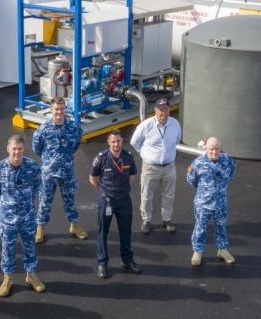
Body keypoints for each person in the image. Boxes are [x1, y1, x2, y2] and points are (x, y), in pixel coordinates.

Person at [0, 135, 45, 297]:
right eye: (14, 149)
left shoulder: (32, 167)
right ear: (8, 149)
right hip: (8, 218)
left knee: (29, 246)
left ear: (24, 149)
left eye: (19, 149)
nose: (17, 152)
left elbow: (37, 186)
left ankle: (31, 275)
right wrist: (7, 202)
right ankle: (8, 278)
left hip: (27, 215)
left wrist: (26, 200)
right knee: (8, 248)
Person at [32, 97, 87, 244]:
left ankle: (74, 225)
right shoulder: (43, 129)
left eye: (62, 109)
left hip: (67, 171)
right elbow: (36, 148)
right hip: (49, 173)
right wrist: (50, 161)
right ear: (51, 110)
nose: (59, 112)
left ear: (65, 110)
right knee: (45, 201)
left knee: (70, 200)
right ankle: (40, 227)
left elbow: (76, 144)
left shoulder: (74, 128)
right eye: (56, 109)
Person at [89, 130, 141, 279]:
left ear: (121, 141)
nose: (116, 144)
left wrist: (123, 189)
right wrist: (103, 190)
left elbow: (132, 175)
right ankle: (102, 264)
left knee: (126, 232)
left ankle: (127, 261)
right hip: (106, 201)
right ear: (108, 142)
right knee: (102, 233)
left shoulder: (128, 156)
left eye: (118, 141)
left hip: (124, 200)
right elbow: (92, 178)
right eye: (113, 141)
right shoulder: (101, 158)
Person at [130, 97, 182, 234]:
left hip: (169, 166)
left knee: (169, 195)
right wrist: (145, 154)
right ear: (155, 110)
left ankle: (167, 219)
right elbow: (134, 142)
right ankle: (146, 220)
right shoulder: (146, 125)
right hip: (150, 167)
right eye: (160, 110)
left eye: (166, 109)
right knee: (146, 195)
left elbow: (176, 140)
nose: (163, 113)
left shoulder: (175, 124)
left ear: (169, 110)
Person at [186, 137, 236, 267]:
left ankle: (223, 250)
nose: (214, 152)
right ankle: (197, 251)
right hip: (203, 203)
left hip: (220, 202)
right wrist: (205, 191)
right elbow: (191, 179)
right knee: (200, 227)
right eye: (211, 149)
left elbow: (231, 176)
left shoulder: (227, 160)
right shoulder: (198, 162)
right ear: (206, 149)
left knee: (221, 226)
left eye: (217, 149)